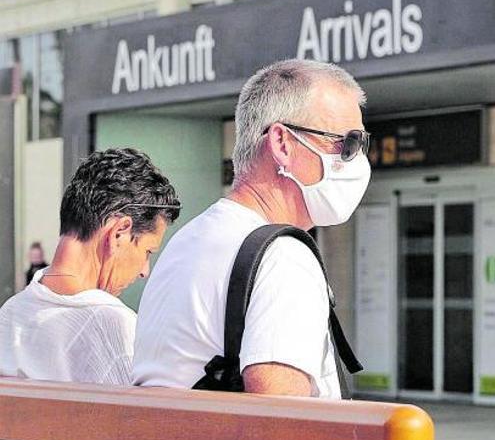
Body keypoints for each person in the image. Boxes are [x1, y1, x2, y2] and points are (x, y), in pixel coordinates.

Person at [133, 59, 370, 398]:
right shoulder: (282, 257)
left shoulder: (188, 240)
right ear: (282, 144)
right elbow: (279, 424)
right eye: (346, 143)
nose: (357, 160)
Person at [0, 148, 180, 385]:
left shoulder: (11, 314)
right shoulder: (113, 326)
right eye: (147, 252)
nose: (144, 271)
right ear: (119, 232)